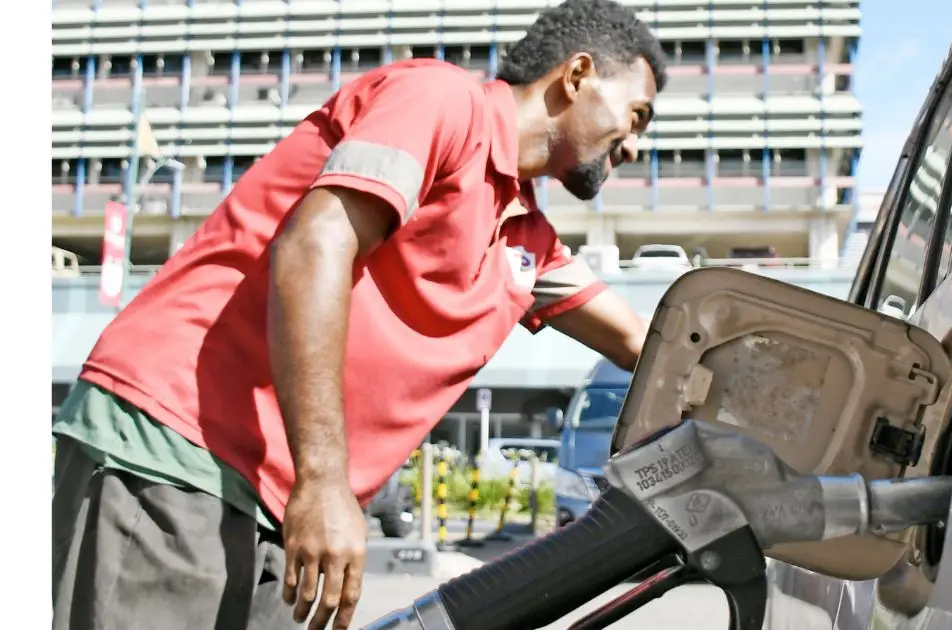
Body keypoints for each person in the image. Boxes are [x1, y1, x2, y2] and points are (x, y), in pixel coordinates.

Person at [50, 1, 668, 629]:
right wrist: (323, 483)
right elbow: (315, 244)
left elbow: (647, 344)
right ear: (578, 74)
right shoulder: (443, 102)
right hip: (179, 444)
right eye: (636, 114)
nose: (636, 144)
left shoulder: (524, 237)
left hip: (280, 495)